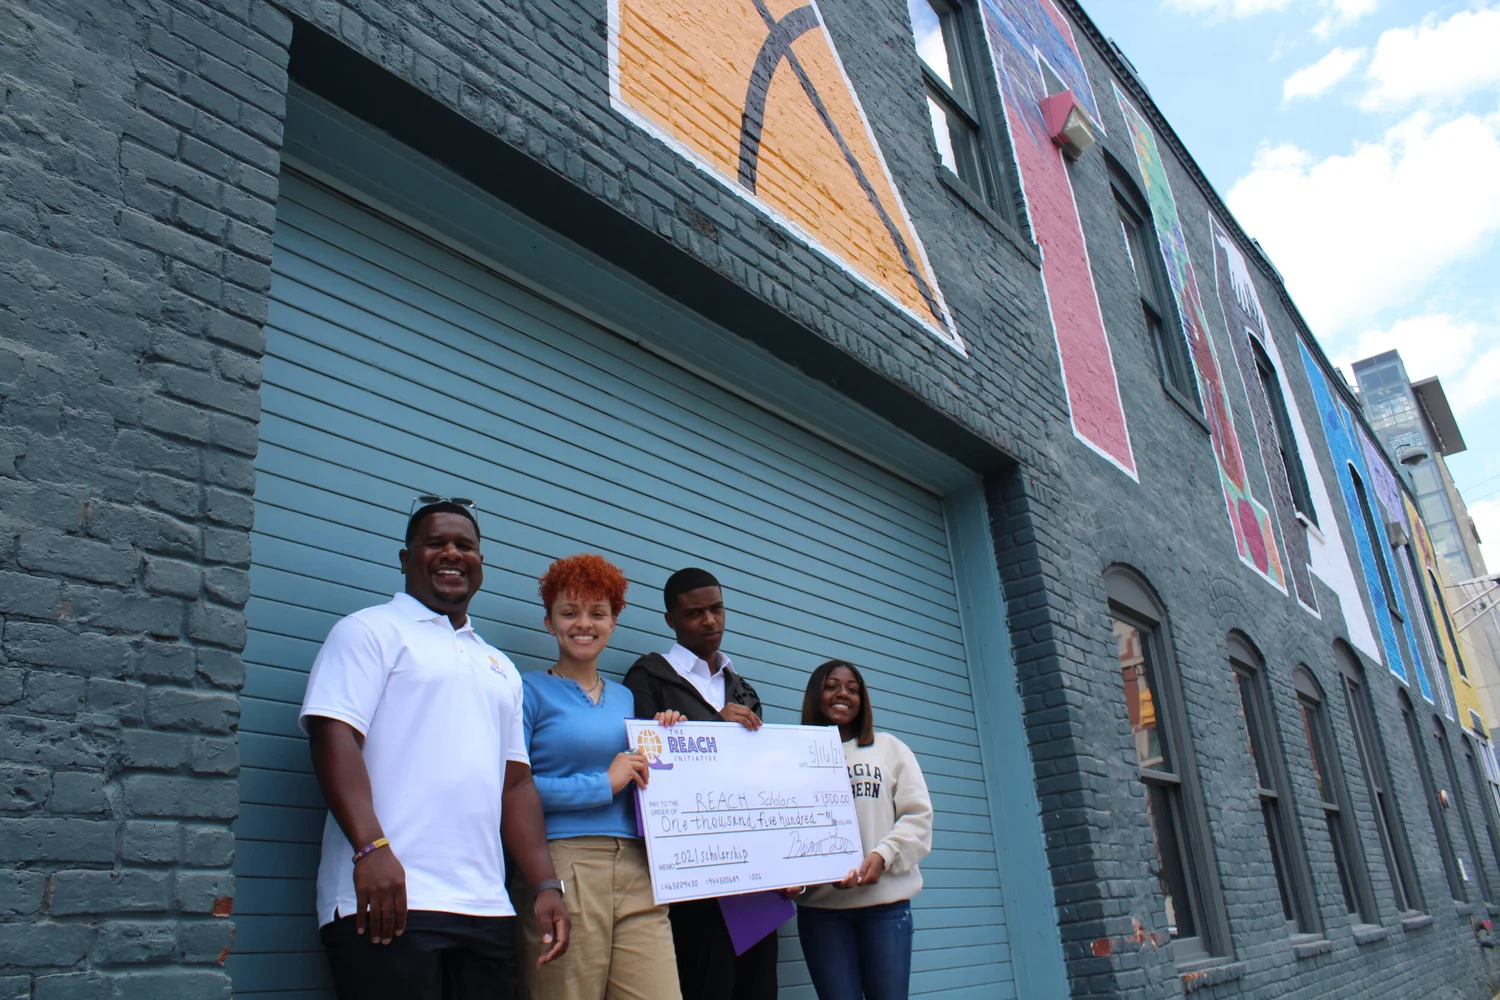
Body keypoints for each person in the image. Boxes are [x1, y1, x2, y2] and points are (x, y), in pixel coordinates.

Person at [299, 499, 569, 1000]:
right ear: (406, 559)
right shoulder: (368, 631)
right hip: (388, 898)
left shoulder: (499, 666)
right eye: (435, 543)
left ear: (480, 563)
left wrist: (545, 883)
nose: (451, 553)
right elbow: (333, 736)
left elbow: (515, 784)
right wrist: (371, 849)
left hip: (486, 907)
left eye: (465, 545)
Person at [517, 553, 683, 1000]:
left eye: (597, 613)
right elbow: (513, 790)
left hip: (638, 867)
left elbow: (645, 775)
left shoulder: (628, 698)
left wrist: (669, 736)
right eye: (569, 612)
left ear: (613, 623)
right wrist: (603, 784)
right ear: (549, 622)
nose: (583, 624)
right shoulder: (527, 691)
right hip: (565, 863)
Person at [622, 567, 775, 1000]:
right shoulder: (648, 677)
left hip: (752, 874)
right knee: (706, 984)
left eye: (716, 609)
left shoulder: (742, 690)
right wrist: (714, 725)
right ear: (671, 619)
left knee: (757, 988)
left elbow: (758, 778)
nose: (709, 621)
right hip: (694, 874)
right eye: (694, 613)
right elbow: (646, 767)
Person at [793, 659, 933, 1000]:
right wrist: (794, 877)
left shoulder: (889, 748)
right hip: (822, 915)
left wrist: (884, 855)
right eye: (831, 686)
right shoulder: (793, 756)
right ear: (815, 695)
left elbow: (918, 816)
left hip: (885, 910)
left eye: (852, 689)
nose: (843, 694)